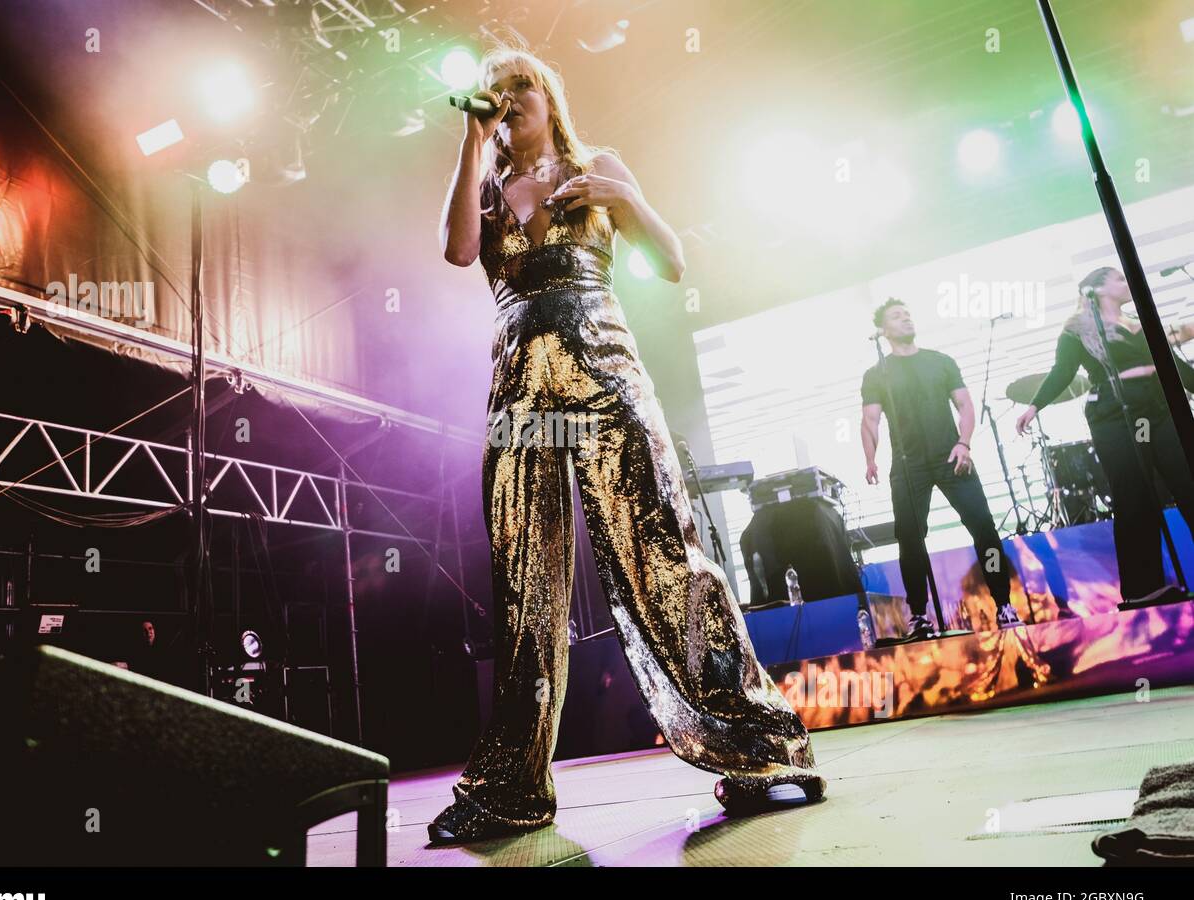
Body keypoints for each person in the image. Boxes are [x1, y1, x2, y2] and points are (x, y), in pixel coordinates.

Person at [431, 43, 823, 845]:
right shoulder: (487, 181)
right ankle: (510, 788)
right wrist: (471, 141)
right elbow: (459, 252)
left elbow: (672, 263)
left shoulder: (597, 163)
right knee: (523, 585)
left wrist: (624, 199)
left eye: (522, 86)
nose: (509, 98)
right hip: (519, 390)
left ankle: (757, 747)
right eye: (497, 90)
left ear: (549, 97)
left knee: (659, 556)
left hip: (603, 374)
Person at [1015, 267, 1194, 608]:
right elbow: (1062, 371)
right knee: (1135, 494)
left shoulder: (1139, 323)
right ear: (1094, 290)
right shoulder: (1078, 329)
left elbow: (1170, 363)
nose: (1127, 284)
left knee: (1189, 479)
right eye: (1119, 279)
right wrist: (1034, 406)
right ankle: (1144, 588)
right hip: (1115, 412)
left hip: (1160, 404)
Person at [861, 298, 1023, 640]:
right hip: (908, 464)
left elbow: (964, 405)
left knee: (984, 527)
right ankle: (919, 614)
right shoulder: (878, 374)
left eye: (907, 313)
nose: (905, 318)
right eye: (896, 316)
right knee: (909, 536)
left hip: (951, 456)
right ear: (883, 330)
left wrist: (964, 443)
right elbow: (870, 420)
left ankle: (1004, 604)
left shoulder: (940, 361)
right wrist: (870, 457)